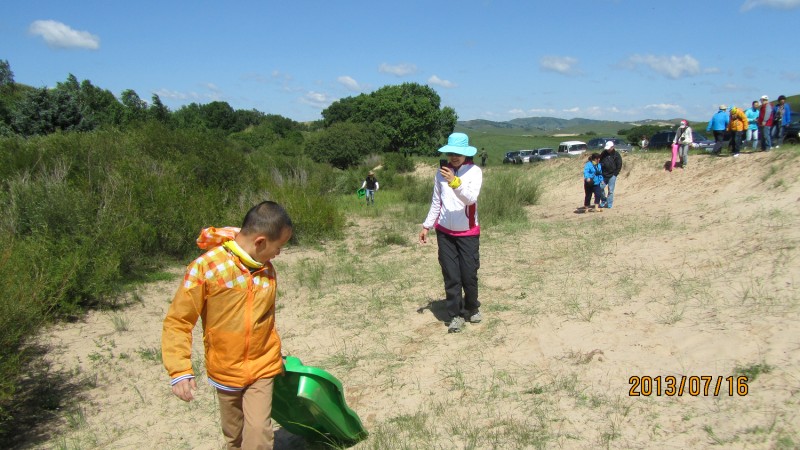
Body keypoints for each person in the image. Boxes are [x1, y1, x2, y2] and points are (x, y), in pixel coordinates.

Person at [162, 201, 294, 450]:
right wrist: (179, 370)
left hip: (262, 366)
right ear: (260, 242)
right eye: (278, 247)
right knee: (234, 436)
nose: (279, 253)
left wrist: (275, 354)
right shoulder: (206, 268)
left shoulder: (267, 270)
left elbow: (267, 320)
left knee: (258, 432)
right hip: (225, 370)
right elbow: (179, 321)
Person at [419, 132, 483, 334]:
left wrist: (455, 182)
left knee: (469, 274)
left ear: (466, 154)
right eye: (451, 153)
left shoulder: (474, 172)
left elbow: (470, 198)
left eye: (458, 153)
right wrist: (427, 226)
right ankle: (455, 315)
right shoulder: (440, 174)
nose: (454, 157)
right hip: (445, 233)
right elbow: (436, 202)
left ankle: (472, 307)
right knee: (451, 275)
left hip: (468, 232)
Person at [599, 140, 622, 208]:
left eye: (609, 148)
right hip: (603, 175)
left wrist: (615, 174)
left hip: (612, 175)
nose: (608, 150)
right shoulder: (603, 153)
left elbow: (619, 164)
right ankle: (603, 200)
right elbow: (600, 161)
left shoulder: (616, 155)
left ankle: (609, 204)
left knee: (610, 191)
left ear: (612, 147)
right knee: (600, 188)